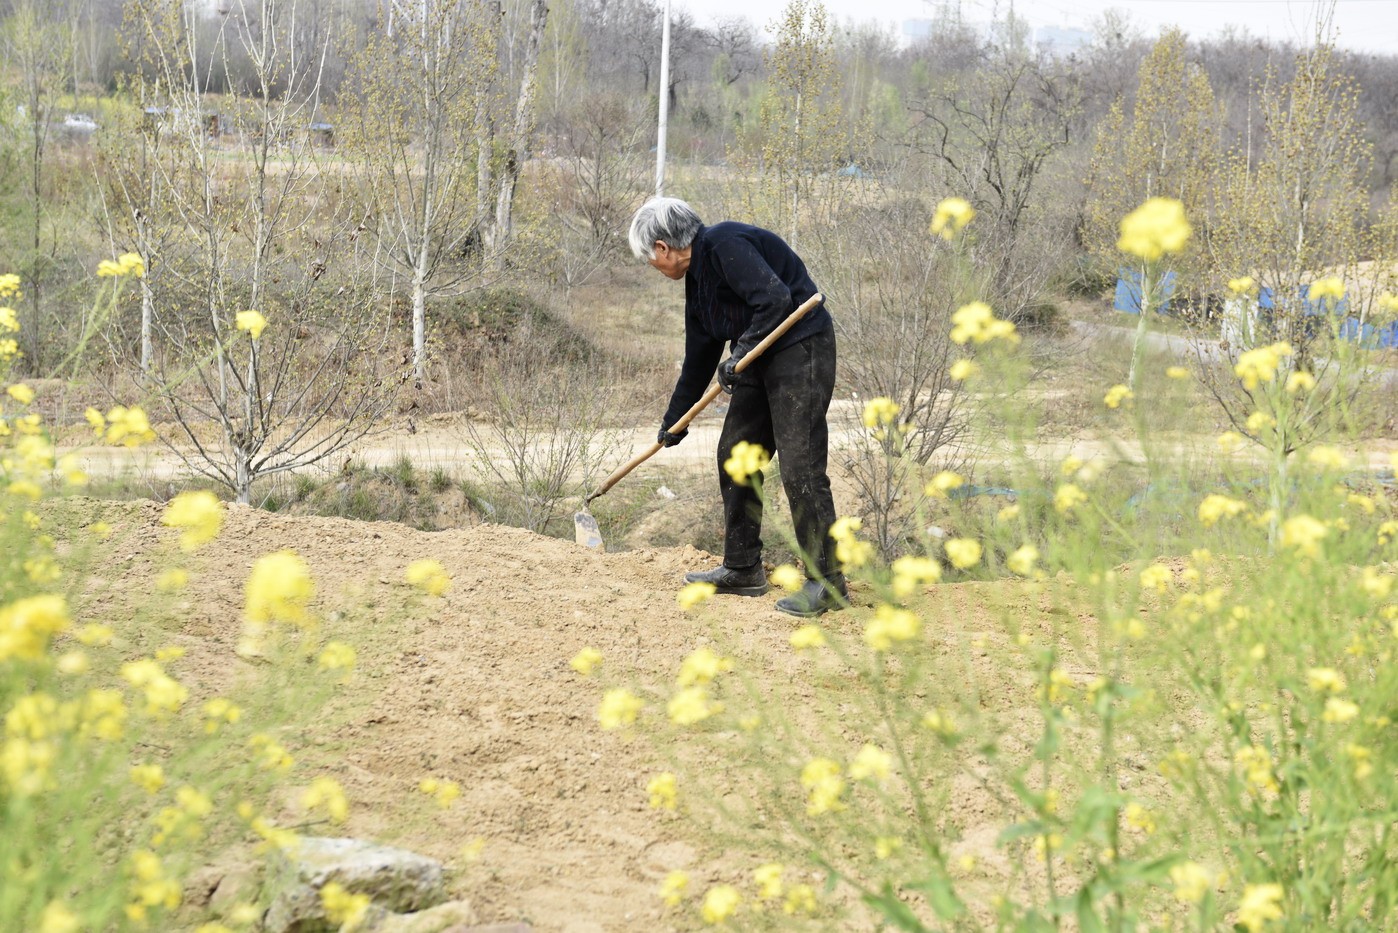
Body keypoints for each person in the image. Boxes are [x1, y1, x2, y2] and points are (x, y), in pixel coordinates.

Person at [627, 197, 844, 618]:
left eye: (649, 259)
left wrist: (739, 353)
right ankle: (743, 568)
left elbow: (776, 300)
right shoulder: (698, 284)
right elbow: (699, 356)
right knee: (735, 455)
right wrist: (674, 422)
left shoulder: (725, 243)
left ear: (662, 248)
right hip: (758, 360)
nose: (653, 267)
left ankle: (828, 582)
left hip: (802, 348)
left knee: (800, 466)